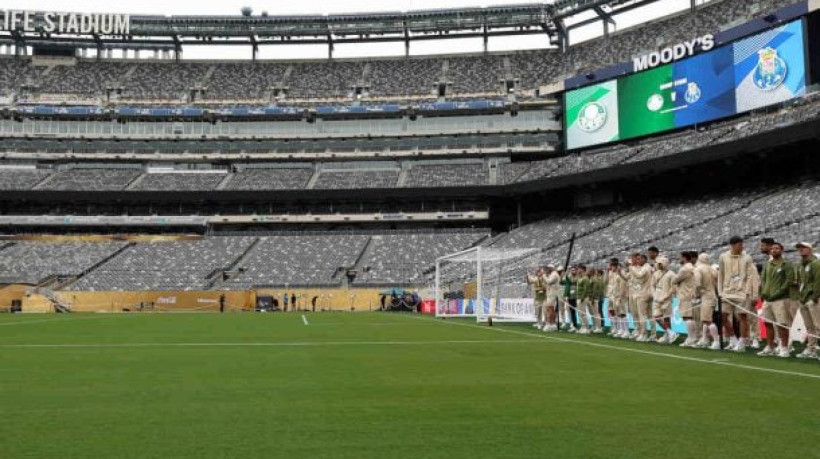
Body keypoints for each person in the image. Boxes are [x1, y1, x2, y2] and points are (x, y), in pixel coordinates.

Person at [717, 236, 759, 352]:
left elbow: (752, 276)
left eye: (742, 244)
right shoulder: (723, 257)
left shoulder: (747, 258)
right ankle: (733, 339)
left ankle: (742, 341)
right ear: (733, 245)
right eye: (740, 244)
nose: (742, 246)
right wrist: (720, 291)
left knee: (742, 317)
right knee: (723, 316)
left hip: (742, 293)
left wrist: (754, 294)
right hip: (726, 292)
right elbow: (721, 275)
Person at [759, 242, 795, 358]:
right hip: (768, 299)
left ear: (781, 250)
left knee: (782, 324)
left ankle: (784, 348)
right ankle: (770, 347)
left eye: (777, 248)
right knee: (767, 322)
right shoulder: (767, 264)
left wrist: (777, 293)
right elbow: (763, 279)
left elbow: (789, 281)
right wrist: (763, 292)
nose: (774, 250)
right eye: (773, 248)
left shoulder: (786, 264)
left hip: (781, 299)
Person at [619, 253, 653, 341]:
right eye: (634, 259)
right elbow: (627, 278)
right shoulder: (635, 268)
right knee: (635, 314)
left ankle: (645, 334)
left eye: (637, 259)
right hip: (634, 294)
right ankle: (639, 331)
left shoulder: (645, 267)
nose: (635, 260)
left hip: (642, 294)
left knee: (644, 315)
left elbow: (639, 275)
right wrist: (620, 272)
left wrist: (630, 267)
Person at [795, 242, 820, 359]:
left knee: (818, 325)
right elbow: (800, 282)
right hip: (803, 298)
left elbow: (818, 282)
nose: (800, 250)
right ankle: (811, 348)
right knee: (809, 326)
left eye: (803, 248)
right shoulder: (800, 265)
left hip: (813, 298)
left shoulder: (816, 263)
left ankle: (813, 349)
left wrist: (814, 297)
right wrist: (800, 297)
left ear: (810, 249)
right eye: (799, 248)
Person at [674, 251, 702, 347]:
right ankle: (695, 337)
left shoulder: (684, 269)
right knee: (691, 317)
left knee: (687, 317)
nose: (679, 259)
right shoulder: (693, 267)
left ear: (685, 258)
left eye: (680, 257)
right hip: (691, 294)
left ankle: (691, 338)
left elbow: (674, 280)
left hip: (685, 295)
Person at [696, 253, 723, 350]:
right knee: (706, 319)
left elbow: (697, 284)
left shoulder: (699, 269)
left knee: (707, 320)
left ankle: (716, 341)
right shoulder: (712, 269)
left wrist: (697, 294)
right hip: (712, 295)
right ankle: (705, 339)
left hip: (706, 296)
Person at [651, 256, 677, 344]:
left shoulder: (671, 274)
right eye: (658, 263)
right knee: (656, 317)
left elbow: (673, 288)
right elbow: (652, 285)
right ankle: (670, 332)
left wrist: (666, 296)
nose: (659, 265)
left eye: (661, 263)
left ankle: (668, 335)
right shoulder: (656, 273)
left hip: (666, 299)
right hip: (657, 299)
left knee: (666, 318)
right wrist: (654, 295)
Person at [606, 258, 629, 338]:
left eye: (611, 265)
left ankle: (625, 330)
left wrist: (621, 296)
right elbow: (608, 282)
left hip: (619, 296)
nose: (610, 267)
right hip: (611, 295)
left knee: (622, 313)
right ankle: (617, 329)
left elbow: (623, 285)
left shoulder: (621, 273)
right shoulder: (610, 273)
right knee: (614, 312)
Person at [527, 266, 550, 331]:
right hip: (537, 298)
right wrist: (528, 276)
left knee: (545, 311)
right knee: (538, 311)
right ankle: (539, 323)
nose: (539, 273)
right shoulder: (535, 279)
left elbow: (547, 285)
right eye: (538, 272)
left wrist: (544, 288)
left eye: (540, 271)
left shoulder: (544, 278)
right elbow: (530, 280)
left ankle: (546, 323)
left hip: (544, 297)